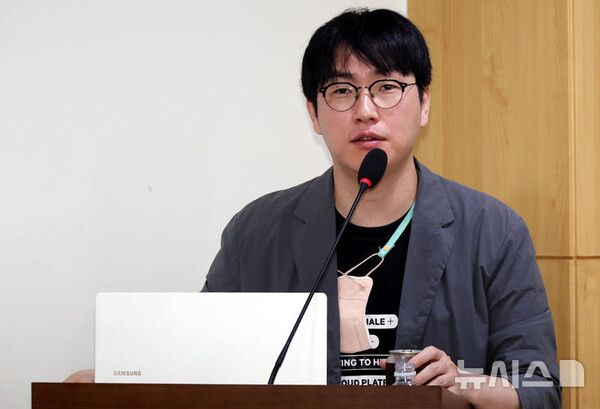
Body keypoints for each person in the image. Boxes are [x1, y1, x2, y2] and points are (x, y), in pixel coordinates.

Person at [202, 8, 560, 409]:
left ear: (424, 102)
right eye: (342, 90)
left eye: (387, 86)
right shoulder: (253, 235)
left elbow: (538, 388)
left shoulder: (494, 231)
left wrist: (464, 384)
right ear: (313, 114)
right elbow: (200, 370)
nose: (365, 110)